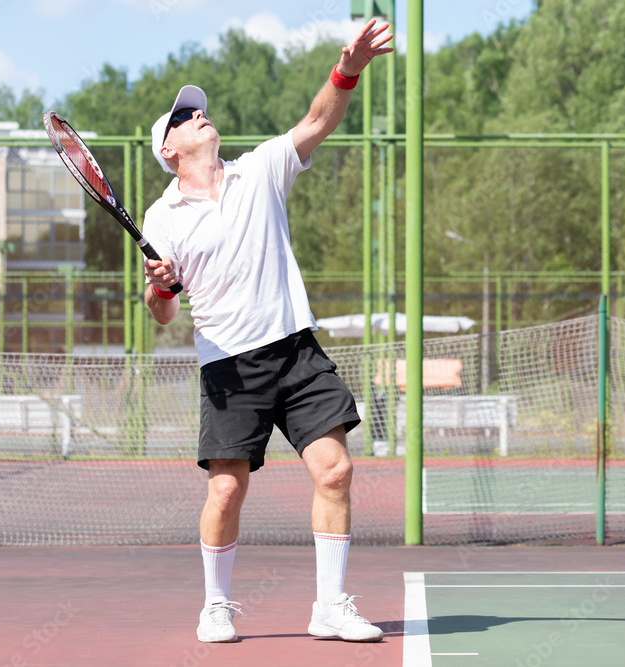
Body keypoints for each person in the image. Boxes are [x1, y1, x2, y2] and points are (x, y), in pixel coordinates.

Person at [141, 20, 393, 644]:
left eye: (198, 111)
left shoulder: (261, 170)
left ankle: (330, 607)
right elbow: (163, 313)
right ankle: (216, 606)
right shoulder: (160, 217)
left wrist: (349, 68)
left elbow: (316, 120)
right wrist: (163, 287)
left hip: (296, 350)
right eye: (183, 117)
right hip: (228, 366)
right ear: (168, 150)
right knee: (227, 489)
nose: (198, 116)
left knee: (334, 470)